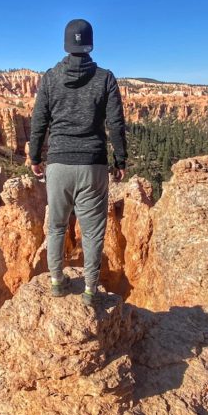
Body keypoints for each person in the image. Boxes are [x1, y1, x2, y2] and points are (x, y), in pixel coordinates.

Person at [28, 19, 127, 305]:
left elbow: (39, 122)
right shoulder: (105, 78)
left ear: (65, 43)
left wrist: (35, 156)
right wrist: (120, 159)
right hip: (93, 164)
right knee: (93, 231)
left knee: (57, 227)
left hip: (58, 164)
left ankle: (57, 282)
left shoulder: (50, 77)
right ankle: (89, 289)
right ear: (90, 44)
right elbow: (116, 124)